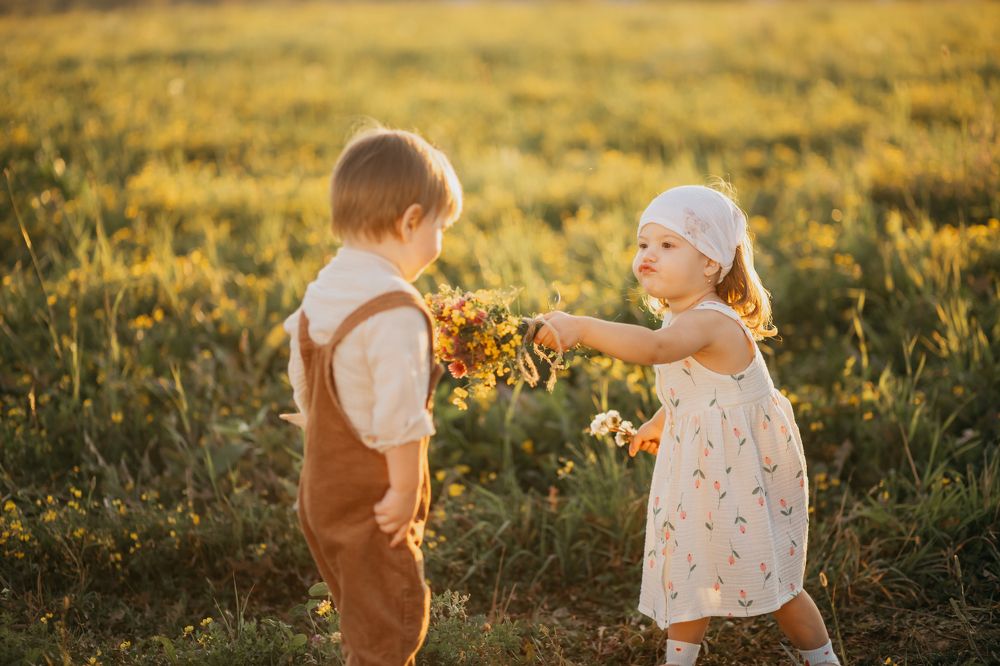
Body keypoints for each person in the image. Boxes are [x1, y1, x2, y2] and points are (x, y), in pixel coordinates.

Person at [534, 184, 841, 666]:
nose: (648, 255)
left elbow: (657, 353)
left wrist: (584, 328)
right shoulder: (680, 317)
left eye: (668, 245)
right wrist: (662, 419)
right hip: (702, 463)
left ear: (711, 263)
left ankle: (823, 660)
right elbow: (695, 387)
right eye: (643, 244)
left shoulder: (711, 321)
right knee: (690, 566)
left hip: (742, 471)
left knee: (775, 579)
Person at [281, 126, 462, 665]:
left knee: (358, 604)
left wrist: (318, 418)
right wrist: (404, 492)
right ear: (410, 221)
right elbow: (402, 419)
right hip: (373, 497)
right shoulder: (398, 310)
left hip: (320, 489)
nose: (440, 241)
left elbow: (303, 359)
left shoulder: (328, 285)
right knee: (392, 624)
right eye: (440, 227)